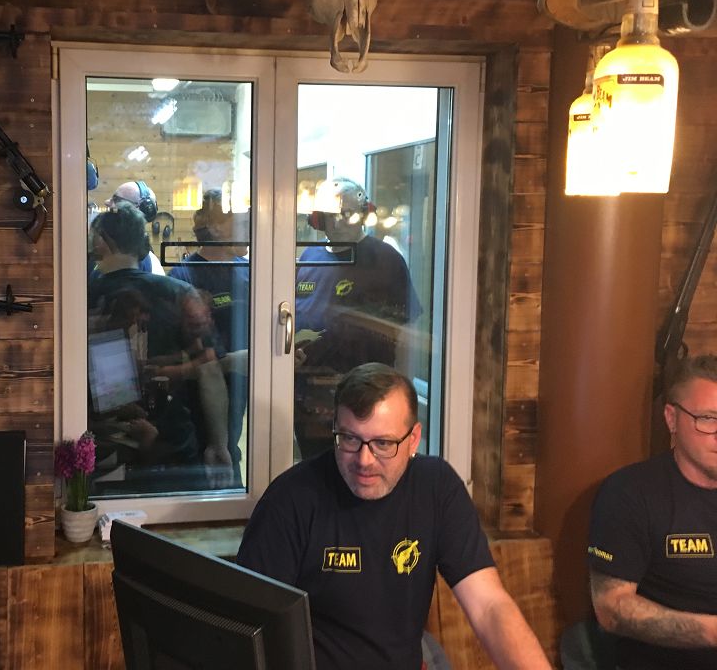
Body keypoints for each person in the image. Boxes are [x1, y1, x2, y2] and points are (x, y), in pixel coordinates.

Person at [237, 362, 552, 670]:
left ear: (413, 439)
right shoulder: (291, 499)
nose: (364, 460)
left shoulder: (436, 487)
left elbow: (488, 606)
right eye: (349, 438)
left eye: (383, 443)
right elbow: (249, 627)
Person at [87, 200, 233, 491]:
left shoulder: (82, 297)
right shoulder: (180, 293)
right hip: (173, 444)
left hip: (100, 446)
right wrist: (219, 445)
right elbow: (210, 371)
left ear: (101, 242)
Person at [586, 354, 717, 670]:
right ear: (672, 419)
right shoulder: (630, 492)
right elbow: (611, 608)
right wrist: (712, 632)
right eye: (708, 419)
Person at [294, 177, 421, 457]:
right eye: (330, 215)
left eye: (347, 213)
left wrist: (405, 396)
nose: (337, 222)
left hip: (367, 397)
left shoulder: (386, 260)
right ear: (318, 219)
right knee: (314, 468)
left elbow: (406, 334)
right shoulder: (309, 255)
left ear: (364, 214)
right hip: (311, 398)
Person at [170, 189, 250, 482]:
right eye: (243, 223)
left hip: (241, 392)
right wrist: (235, 361)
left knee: (232, 450)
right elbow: (190, 357)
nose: (250, 230)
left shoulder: (250, 270)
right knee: (216, 464)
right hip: (200, 401)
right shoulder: (183, 277)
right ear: (216, 228)